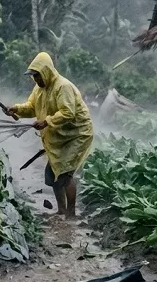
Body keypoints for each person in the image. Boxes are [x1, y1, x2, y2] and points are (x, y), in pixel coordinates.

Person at [6, 52, 94, 219]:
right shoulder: (39, 89)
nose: (36, 80)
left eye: (38, 75)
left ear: (46, 71)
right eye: (34, 76)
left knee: (65, 173)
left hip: (76, 134)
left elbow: (68, 112)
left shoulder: (63, 86)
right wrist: (16, 109)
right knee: (53, 173)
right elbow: (32, 107)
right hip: (59, 134)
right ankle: (61, 210)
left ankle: (71, 214)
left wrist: (46, 122)